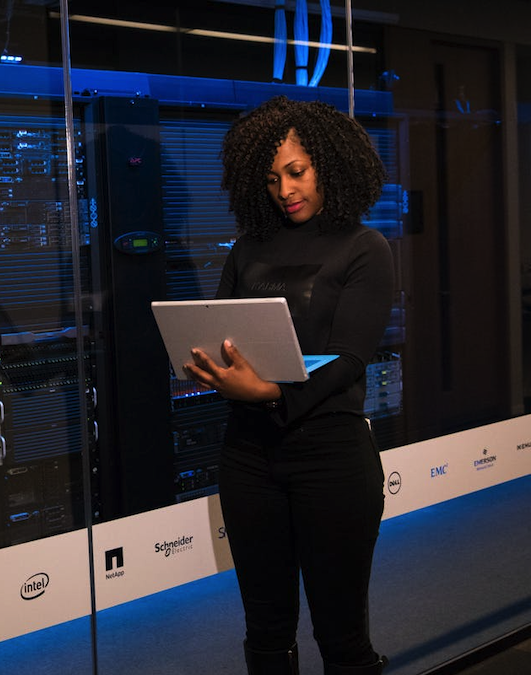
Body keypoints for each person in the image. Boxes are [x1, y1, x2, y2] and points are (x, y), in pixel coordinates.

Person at [182, 95, 393, 675]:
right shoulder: (249, 247)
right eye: (272, 179)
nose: (284, 189)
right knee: (266, 629)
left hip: (332, 457)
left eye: (296, 172)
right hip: (248, 457)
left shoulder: (365, 247)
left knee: (341, 633)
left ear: (329, 163)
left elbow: (350, 357)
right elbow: (221, 328)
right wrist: (210, 364)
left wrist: (272, 392)